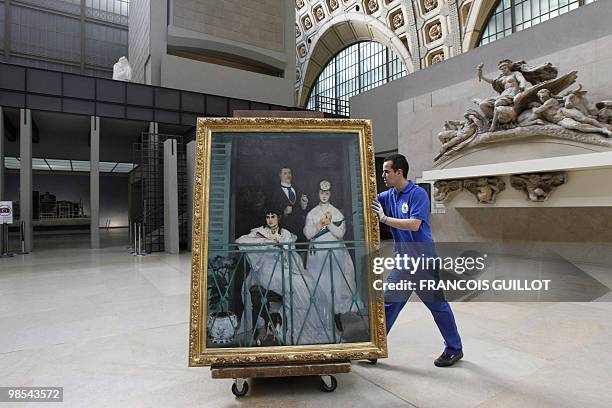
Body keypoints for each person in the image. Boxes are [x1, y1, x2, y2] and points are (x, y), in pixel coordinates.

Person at [371, 154, 463, 367]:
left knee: (438, 307)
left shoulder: (418, 194)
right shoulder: (389, 195)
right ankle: (375, 346)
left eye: (386, 171)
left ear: (399, 173)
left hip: (423, 262)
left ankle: (454, 349)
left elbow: (414, 225)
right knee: (388, 305)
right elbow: (370, 198)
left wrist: (384, 219)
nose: (383, 175)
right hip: (403, 264)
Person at [235, 208, 330, 346]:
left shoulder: (285, 234)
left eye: (273, 216)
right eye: (267, 217)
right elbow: (240, 241)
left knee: (308, 284)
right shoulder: (259, 232)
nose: (270, 220)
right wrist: (267, 242)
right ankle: (281, 327)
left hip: (285, 267)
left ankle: (307, 329)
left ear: (279, 218)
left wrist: (283, 248)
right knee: (293, 284)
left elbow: (293, 257)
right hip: (266, 269)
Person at [304, 180, 359, 333]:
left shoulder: (337, 213)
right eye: (321, 192)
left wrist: (329, 224)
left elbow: (340, 233)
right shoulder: (312, 213)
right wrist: (321, 223)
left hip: (334, 254)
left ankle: (336, 318)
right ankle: (320, 319)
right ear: (318, 193)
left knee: (334, 285)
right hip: (318, 256)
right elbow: (308, 234)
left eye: (327, 193)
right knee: (319, 285)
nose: (324, 195)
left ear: (330, 194)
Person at [269, 167, 310, 243]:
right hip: (284, 228)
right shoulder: (275, 192)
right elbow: (272, 210)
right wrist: (283, 211)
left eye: (289, 173)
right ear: (280, 175)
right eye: (285, 173)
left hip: (299, 227)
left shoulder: (297, 190)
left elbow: (302, 210)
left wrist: (303, 206)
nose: (288, 175)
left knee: (300, 249)